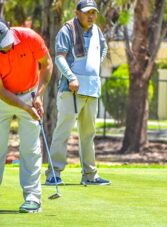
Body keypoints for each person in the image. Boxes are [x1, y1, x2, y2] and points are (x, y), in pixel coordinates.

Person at [0, 17, 53, 213]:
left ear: (9, 28)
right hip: (0, 100)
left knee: (30, 147)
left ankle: (32, 198)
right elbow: (1, 92)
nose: (6, 47)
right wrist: (25, 107)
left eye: (6, 40)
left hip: (30, 92)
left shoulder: (29, 37)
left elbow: (47, 64)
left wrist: (39, 95)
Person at [45, 0, 110, 186]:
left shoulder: (97, 30)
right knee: (63, 132)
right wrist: (71, 77)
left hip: (92, 89)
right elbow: (59, 58)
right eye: (87, 12)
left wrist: (96, 64)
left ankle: (90, 175)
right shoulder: (67, 30)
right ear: (77, 13)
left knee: (88, 134)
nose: (91, 16)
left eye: (93, 13)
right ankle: (53, 173)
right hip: (71, 90)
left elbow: (103, 48)